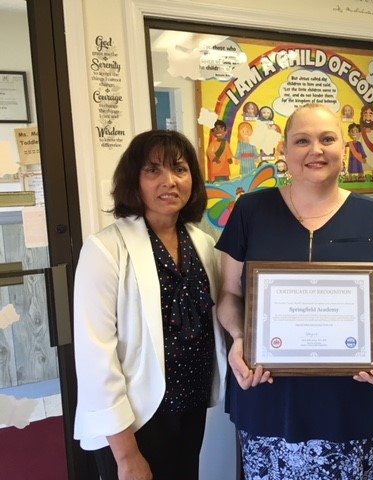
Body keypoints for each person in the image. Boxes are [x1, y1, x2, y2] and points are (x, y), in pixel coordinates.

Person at [215, 103, 373, 478]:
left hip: (351, 395)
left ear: (344, 148)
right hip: (269, 392)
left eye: (327, 139)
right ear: (284, 152)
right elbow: (229, 296)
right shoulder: (250, 211)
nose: (315, 150)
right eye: (302, 140)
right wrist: (240, 337)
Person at [73, 130, 228, 480]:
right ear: (134, 180)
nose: (169, 181)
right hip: (134, 419)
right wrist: (126, 456)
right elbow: (95, 357)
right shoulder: (105, 249)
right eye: (153, 170)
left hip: (191, 407)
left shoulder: (204, 244)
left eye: (179, 169)